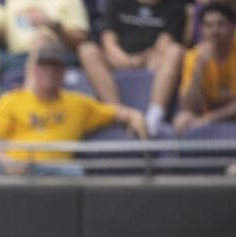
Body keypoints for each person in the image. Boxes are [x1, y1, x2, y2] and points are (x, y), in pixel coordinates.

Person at [0, 43, 147, 175]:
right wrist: (6, 162)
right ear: (35, 70)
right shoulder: (10, 100)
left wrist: (134, 116)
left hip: (58, 170)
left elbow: (116, 112)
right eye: (45, 67)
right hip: (19, 166)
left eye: (55, 67)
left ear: (63, 72)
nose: (50, 72)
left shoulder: (78, 104)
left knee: (74, 171)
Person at [76, 0, 186, 136]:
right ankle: (118, 114)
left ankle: (154, 118)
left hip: (152, 60)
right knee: (87, 50)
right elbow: (108, 41)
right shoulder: (117, 3)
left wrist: (141, 59)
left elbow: (165, 42)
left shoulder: (174, 7)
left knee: (175, 50)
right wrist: (125, 59)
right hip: (118, 59)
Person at [173, 3, 236, 135]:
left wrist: (211, 118)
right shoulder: (193, 56)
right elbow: (188, 106)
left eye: (220, 24)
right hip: (207, 110)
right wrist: (199, 69)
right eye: (208, 25)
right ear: (201, 29)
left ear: (233, 27)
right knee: (181, 121)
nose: (214, 31)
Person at [0, 0, 91, 75]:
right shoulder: (7, 2)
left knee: (41, 40)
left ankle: (28, 100)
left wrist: (52, 25)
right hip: (15, 57)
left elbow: (80, 39)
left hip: (57, 57)